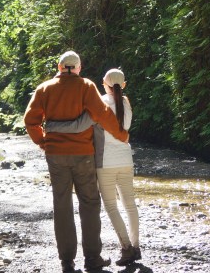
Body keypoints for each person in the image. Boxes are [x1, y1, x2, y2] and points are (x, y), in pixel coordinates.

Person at [24, 51, 130, 273]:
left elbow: (30, 120)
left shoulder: (44, 88)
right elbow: (102, 114)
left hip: (56, 155)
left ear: (59, 66)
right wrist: (121, 135)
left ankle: (67, 262)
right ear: (79, 68)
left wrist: (43, 142)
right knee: (90, 203)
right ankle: (92, 258)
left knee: (61, 205)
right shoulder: (87, 86)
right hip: (83, 154)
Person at [46, 68, 140, 266]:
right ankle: (136, 246)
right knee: (130, 205)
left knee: (111, 207)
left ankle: (126, 248)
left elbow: (80, 125)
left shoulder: (101, 104)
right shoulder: (126, 103)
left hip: (104, 162)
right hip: (126, 160)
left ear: (104, 85)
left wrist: (52, 127)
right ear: (123, 85)